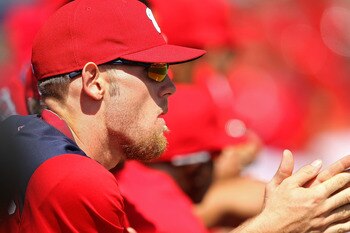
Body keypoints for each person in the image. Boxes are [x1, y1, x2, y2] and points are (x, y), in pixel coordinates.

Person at [0, 1, 350, 233]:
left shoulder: (24, 138)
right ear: (94, 82)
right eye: (154, 70)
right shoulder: (75, 180)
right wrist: (277, 223)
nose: (170, 87)